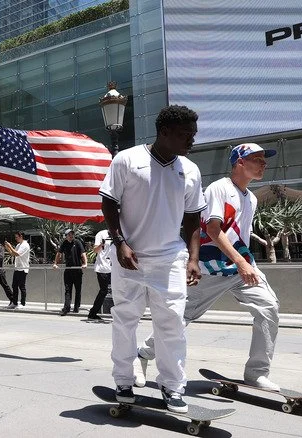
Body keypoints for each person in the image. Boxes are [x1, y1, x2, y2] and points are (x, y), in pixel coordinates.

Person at [135, 143, 282, 391]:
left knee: (269, 308)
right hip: (211, 269)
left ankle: (256, 373)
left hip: (241, 268)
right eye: (257, 159)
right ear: (240, 163)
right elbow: (213, 230)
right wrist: (240, 261)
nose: (263, 164)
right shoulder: (219, 189)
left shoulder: (251, 198)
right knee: (180, 318)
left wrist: (245, 263)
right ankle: (142, 354)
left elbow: (240, 236)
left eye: (264, 160)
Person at [99, 105, 206, 413]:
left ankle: (172, 387)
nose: (192, 140)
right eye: (186, 134)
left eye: (193, 134)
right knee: (125, 320)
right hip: (129, 258)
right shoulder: (128, 160)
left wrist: (193, 258)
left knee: (172, 324)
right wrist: (119, 243)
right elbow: (109, 203)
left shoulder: (190, 170)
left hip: (170, 259)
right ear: (164, 132)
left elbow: (193, 220)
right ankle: (123, 379)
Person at [52, 229, 87, 316]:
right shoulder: (64, 243)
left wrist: (85, 263)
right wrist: (55, 263)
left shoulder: (77, 242)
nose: (71, 236)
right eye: (69, 234)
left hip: (77, 270)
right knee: (68, 290)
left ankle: (76, 307)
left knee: (78, 289)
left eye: (72, 234)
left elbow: (83, 253)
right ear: (66, 236)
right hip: (68, 270)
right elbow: (59, 253)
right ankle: (66, 308)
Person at [87, 229, 114, 320]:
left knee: (118, 290)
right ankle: (93, 313)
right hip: (102, 268)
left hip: (114, 268)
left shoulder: (118, 233)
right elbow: (95, 250)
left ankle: (120, 314)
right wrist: (102, 244)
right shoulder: (101, 234)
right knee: (104, 291)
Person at [4, 231, 30, 309]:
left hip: (23, 268)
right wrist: (8, 248)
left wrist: (10, 246)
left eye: (16, 237)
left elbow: (17, 253)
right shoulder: (19, 245)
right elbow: (13, 254)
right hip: (17, 268)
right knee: (14, 285)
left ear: (21, 236)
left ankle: (23, 303)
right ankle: (14, 302)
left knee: (22, 286)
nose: (16, 239)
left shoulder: (25, 245)